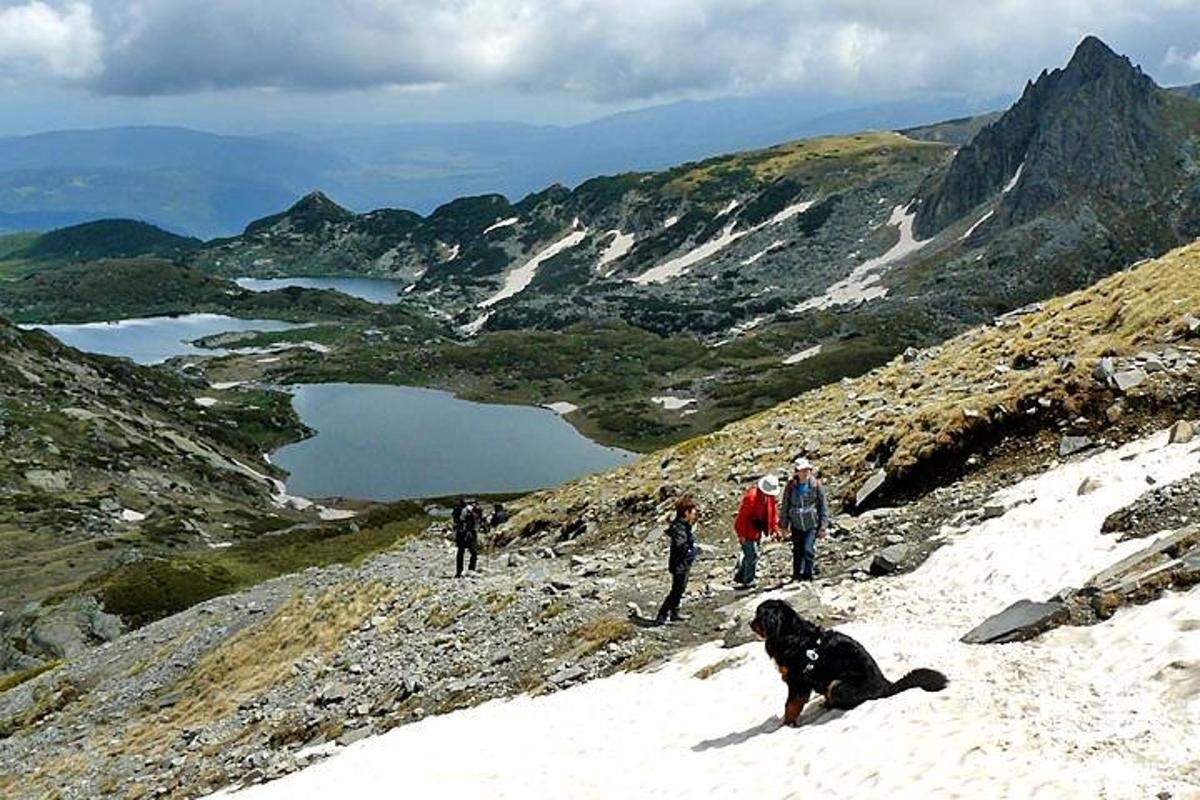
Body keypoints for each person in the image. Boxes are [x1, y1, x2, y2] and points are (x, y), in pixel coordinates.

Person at [780, 457, 829, 582]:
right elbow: (785, 505)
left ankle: (808, 575)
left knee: (808, 550)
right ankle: (797, 575)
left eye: (807, 470)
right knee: (797, 551)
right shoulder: (791, 486)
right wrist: (784, 526)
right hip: (796, 525)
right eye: (803, 470)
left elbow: (823, 506)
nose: (806, 472)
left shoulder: (815, 485)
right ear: (797, 471)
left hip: (811, 524)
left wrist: (823, 526)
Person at [656, 495, 701, 624]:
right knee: (676, 590)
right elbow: (680, 544)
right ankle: (662, 615)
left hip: (683, 563)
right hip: (679, 564)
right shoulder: (680, 528)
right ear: (686, 512)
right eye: (693, 513)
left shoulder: (684, 526)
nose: (695, 515)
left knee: (680, 589)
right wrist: (692, 549)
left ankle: (675, 613)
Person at [733, 474, 781, 589]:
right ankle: (748, 580)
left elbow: (773, 513)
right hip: (747, 531)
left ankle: (740, 577)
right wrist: (741, 535)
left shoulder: (769, 497)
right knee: (752, 554)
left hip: (757, 530)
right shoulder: (751, 497)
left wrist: (775, 529)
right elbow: (742, 518)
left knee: (750, 555)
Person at [453, 497, 485, 577]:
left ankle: (465, 570)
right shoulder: (461, 510)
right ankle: (464, 570)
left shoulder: (470, 510)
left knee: (466, 552)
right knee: (468, 551)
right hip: (465, 532)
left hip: (465, 532)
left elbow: (479, 519)